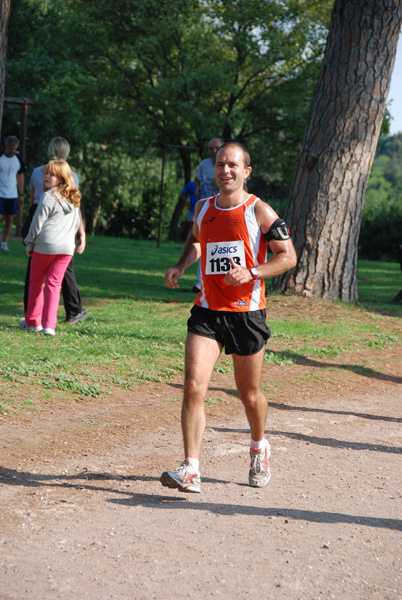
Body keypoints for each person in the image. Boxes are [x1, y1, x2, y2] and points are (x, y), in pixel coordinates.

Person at [160, 141, 297, 493]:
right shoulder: (204, 208)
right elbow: (196, 241)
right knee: (192, 387)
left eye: (233, 165)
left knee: (249, 395)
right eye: (220, 164)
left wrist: (254, 272)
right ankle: (191, 468)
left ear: (246, 171)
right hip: (207, 311)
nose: (226, 170)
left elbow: (288, 257)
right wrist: (179, 265)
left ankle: (258, 445)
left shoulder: (259, 211)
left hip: (247, 313)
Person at [25, 137, 88, 324]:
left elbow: (32, 202)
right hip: (64, 230)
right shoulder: (72, 177)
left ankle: (32, 317)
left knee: (35, 278)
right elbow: (76, 209)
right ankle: (54, 322)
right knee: (57, 281)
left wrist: (29, 241)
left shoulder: (38, 172)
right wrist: (81, 233)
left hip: (42, 224)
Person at [20, 159, 81, 336]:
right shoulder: (74, 197)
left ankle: (33, 322)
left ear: (61, 178)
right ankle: (49, 326)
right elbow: (76, 223)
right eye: (46, 173)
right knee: (54, 285)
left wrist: (29, 244)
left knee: (36, 282)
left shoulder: (47, 197)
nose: (46, 176)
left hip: (45, 245)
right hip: (66, 249)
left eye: (52, 174)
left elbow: (36, 224)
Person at [192, 138, 223, 291]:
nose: (213, 151)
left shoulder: (228, 164)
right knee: (203, 242)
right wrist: (198, 188)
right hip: (207, 209)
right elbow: (197, 179)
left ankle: (220, 282)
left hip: (225, 210)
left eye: (216, 147)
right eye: (210, 148)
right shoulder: (204, 164)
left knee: (222, 245)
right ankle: (200, 283)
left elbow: (242, 186)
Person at [0, 136, 26, 252]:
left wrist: (21, 194)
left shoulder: (18, 160)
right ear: (6, 146)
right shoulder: (0, 157)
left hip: (12, 194)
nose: (13, 151)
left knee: (9, 219)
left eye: (15, 149)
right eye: (11, 148)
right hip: (0, 193)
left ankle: (4, 243)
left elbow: (20, 177)